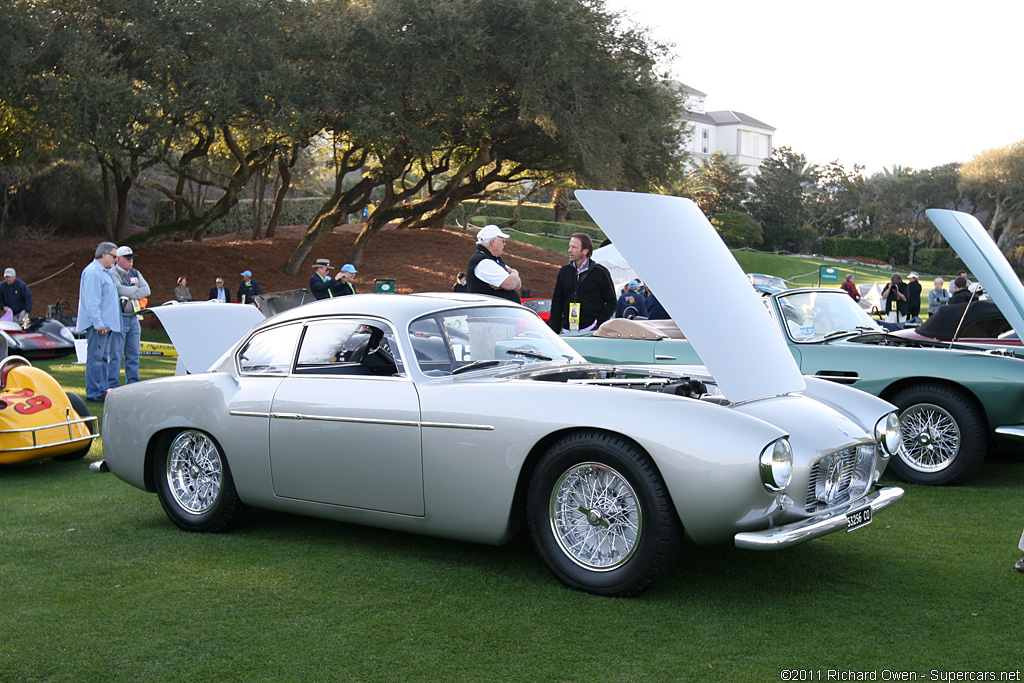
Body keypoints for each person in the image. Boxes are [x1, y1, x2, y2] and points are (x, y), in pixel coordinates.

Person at [76, 242, 121, 401]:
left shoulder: (104, 272)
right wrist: (98, 323)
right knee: (95, 359)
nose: (116, 260)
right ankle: (94, 392)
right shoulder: (93, 272)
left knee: (102, 359)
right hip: (99, 325)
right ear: (104, 254)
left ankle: (102, 390)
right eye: (114, 256)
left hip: (106, 324)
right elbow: (92, 302)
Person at [548, 232, 615, 333]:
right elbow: (557, 301)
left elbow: (611, 301)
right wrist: (554, 328)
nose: (569, 250)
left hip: (590, 330)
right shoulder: (564, 271)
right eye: (570, 246)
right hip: (566, 329)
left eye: (574, 247)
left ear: (585, 251)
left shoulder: (600, 272)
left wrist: (598, 323)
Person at [107, 246, 151, 389]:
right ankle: (112, 384)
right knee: (115, 354)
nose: (131, 261)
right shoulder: (112, 273)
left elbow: (147, 290)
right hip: (119, 318)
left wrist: (130, 293)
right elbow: (118, 289)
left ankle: (133, 383)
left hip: (134, 318)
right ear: (118, 259)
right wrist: (135, 290)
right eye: (127, 258)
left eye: (132, 258)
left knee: (133, 354)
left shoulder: (135, 273)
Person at [466, 225, 521, 303]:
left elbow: (518, 285)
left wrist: (513, 276)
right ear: (492, 242)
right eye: (503, 241)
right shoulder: (484, 262)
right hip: (492, 313)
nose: (504, 244)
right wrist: (514, 272)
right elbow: (511, 284)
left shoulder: (495, 260)